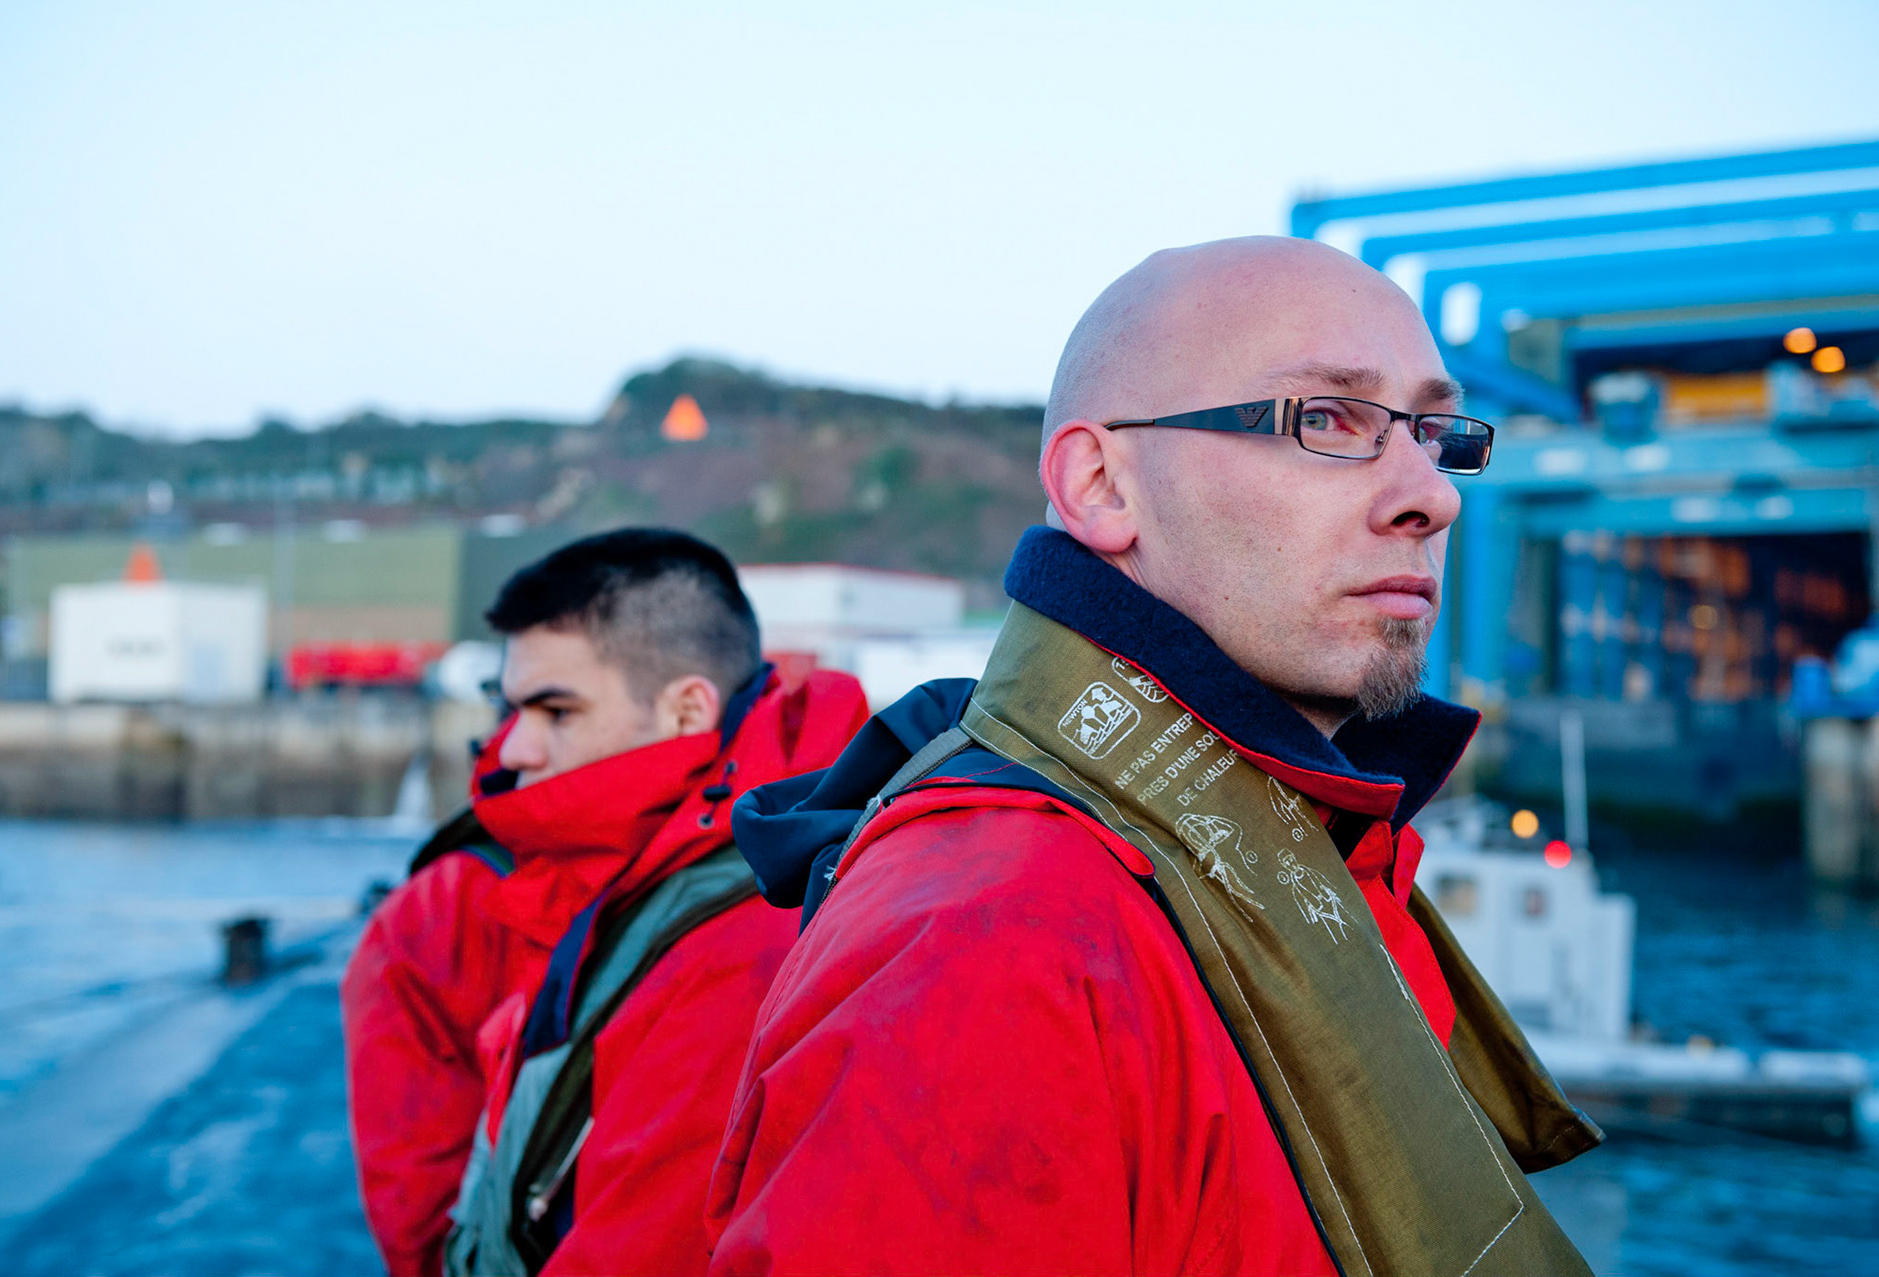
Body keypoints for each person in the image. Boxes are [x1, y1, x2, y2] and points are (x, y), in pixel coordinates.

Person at [707, 238, 1600, 1276]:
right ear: (1100, 485)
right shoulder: (994, 943)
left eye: (1432, 432)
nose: (1432, 496)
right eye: (1327, 418)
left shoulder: (1297, 850)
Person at [341, 529, 868, 1277]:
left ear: (688, 711)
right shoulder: (839, 845)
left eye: (556, 711)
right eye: (510, 709)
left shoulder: (737, 947)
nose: (513, 748)